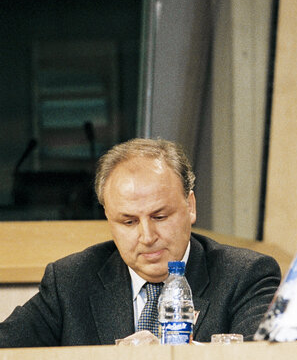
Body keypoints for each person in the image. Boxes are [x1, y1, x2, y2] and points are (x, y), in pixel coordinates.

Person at [0, 138, 281, 347]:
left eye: (159, 216)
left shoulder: (246, 275)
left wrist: (175, 358)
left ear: (190, 206)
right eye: (129, 222)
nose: (147, 237)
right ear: (109, 219)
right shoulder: (71, 281)